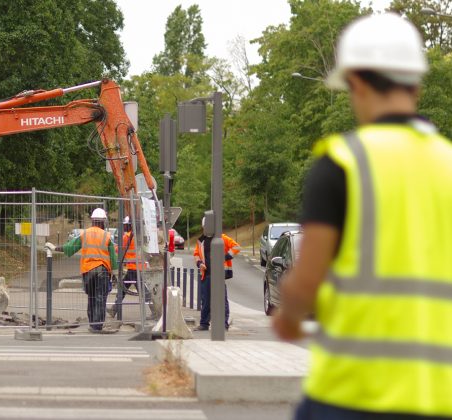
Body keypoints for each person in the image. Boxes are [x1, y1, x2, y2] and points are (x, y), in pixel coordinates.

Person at [272, 13, 452, 419]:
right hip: (439, 398)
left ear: (356, 81)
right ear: (417, 85)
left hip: (350, 394)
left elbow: (307, 277)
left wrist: (289, 318)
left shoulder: (342, 162)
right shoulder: (448, 163)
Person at [46, 208, 117, 333]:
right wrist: (116, 274)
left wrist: (55, 248)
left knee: (92, 297)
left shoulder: (84, 234)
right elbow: (113, 258)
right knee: (100, 297)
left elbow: (70, 248)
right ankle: (97, 326)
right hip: (102, 271)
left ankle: (92, 323)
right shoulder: (107, 236)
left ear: (93, 221)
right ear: (103, 222)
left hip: (88, 271)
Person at [193, 217, 239, 331]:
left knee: (221, 300)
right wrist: (199, 264)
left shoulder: (222, 238)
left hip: (218, 274)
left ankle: (223, 324)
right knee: (206, 301)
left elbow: (236, 247)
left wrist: (224, 257)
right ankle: (204, 324)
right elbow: (196, 254)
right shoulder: (201, 241)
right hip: (206, 274)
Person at [108, 216, 148, 319]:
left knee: (137, 291)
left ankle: (156, 310)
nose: (124, 227)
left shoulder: (127, 236)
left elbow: (118, 249)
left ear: (130, 225)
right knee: (139, 291)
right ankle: (114, 309)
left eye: (125, 225)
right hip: (139, 267)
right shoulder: (141, 236)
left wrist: (111, 246)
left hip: (133, 268)